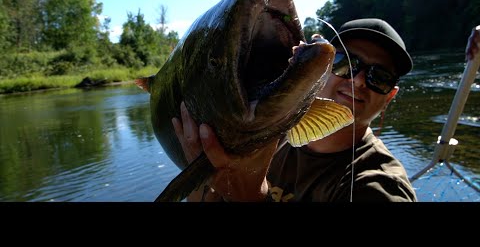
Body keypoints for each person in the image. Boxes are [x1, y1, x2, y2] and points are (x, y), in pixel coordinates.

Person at [172, 19, 479, 202]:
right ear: (319, 69)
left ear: (390, 97)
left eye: (379, 77)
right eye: (347, 64)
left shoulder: (378, 187)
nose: (359, 81)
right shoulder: (269, 135)